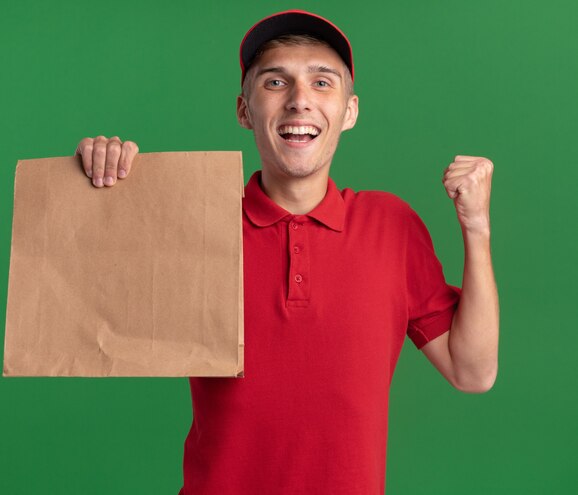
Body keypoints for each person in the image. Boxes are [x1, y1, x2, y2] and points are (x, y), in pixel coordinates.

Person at [74, 10, 499, 495]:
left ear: (350, 111)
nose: (300, 100)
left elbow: (473, 371)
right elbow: (94, 304)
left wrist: (477, 228)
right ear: (243, 110)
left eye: (322, 82)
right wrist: (101, 188)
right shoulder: (197, 223)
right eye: (276, 82)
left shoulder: (391, 225)